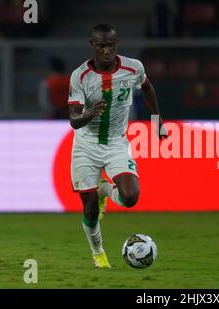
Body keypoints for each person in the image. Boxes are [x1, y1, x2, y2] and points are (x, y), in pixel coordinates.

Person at [68, 24, 167, 268]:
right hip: (86, 146)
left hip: (116, 143)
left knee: (131, 197)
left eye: (109, 45)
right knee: (89, 209)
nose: (105, 51)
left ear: (116, 44)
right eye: (100, 45)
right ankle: (98, 252)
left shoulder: (133, 67)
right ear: (92, 45)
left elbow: (147, 88)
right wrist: (89, 114)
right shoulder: (79, 76)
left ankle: (105, 190)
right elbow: (74, 120)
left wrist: (156, 120)